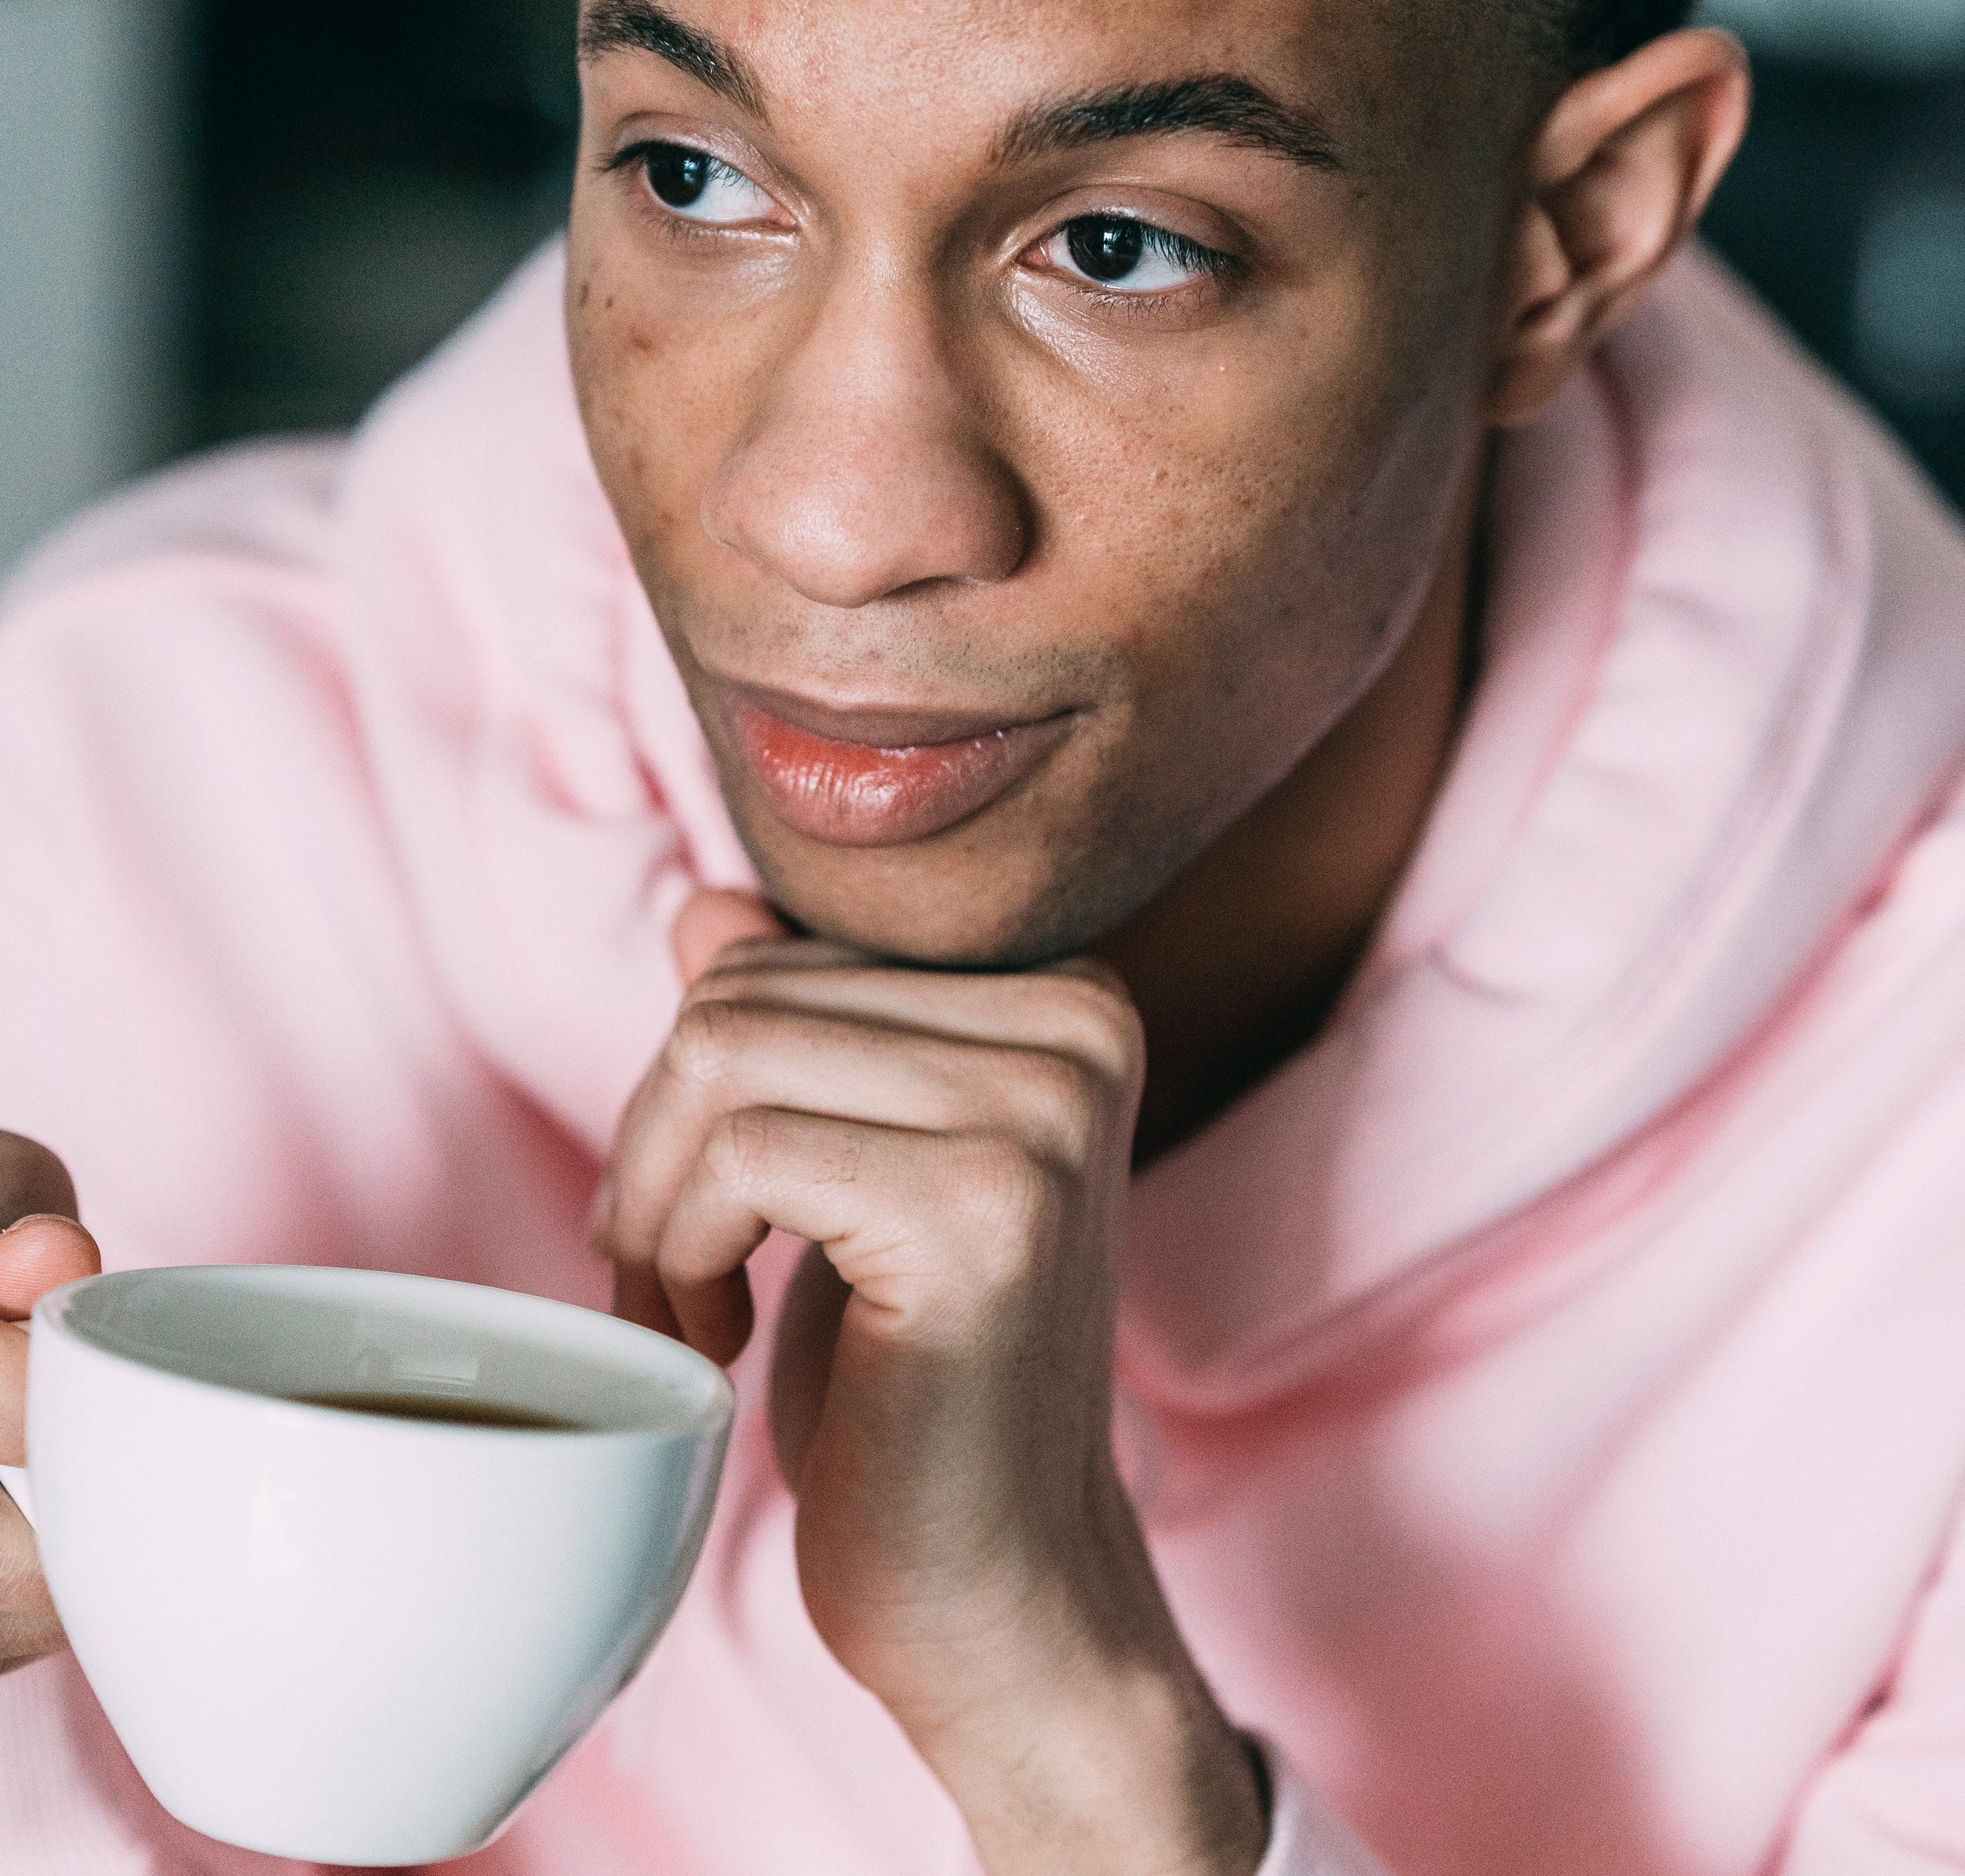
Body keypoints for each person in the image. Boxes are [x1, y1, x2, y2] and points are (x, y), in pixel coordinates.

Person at [3, 0, 1963, 1869]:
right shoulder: (101, 798)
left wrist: (1101, 1777)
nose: (835, 522)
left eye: (1118, 247)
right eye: (694, 180)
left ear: (1571, 235)